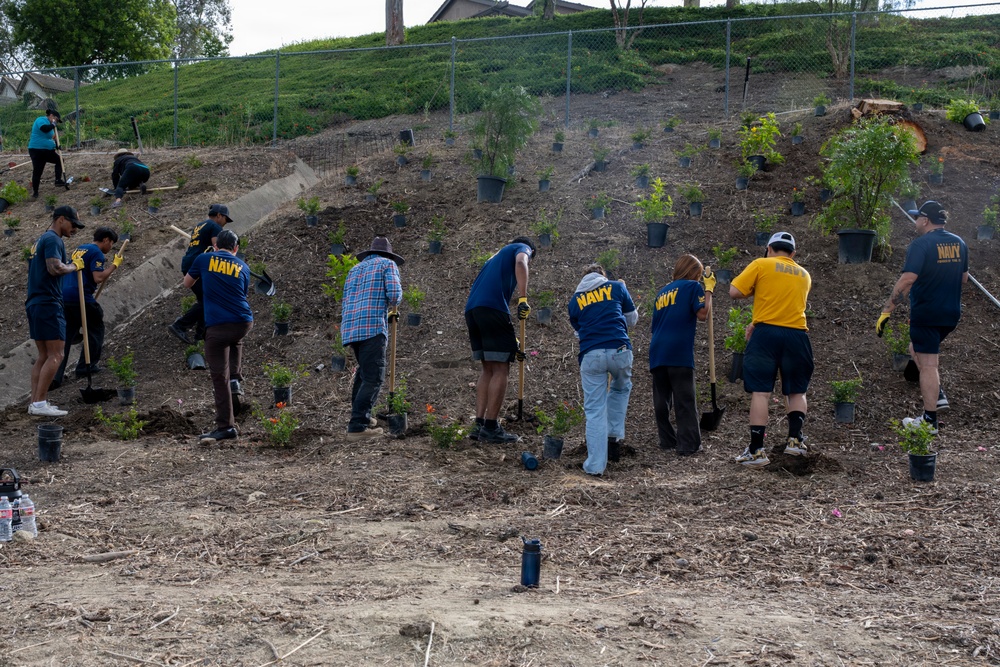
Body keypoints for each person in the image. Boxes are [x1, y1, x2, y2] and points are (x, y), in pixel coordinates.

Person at [877, 200, 967, 432]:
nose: (915, 221)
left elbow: (907, 280)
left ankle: (929, 421)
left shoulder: (921, 245)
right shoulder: (959, 243)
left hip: (927, 313)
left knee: (928, 365)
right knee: (914, 349)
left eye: (918, 217)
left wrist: (886, 311)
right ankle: (938, 396)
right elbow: (964, 278)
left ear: (925, 220)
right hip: (951, 314)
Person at [729, 231, 813, 468]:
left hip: (766, 336)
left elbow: (735, 292)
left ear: (769, 248)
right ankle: (795, 441)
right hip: (797, 335)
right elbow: (786, 304)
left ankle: (756, 451)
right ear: (793, 253)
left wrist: (758, 288)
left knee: (761, 392)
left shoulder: (761, 264)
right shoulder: (804, 274)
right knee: (796, 390)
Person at [568, 263, 638, 476]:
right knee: (620, 388)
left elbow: (579, 332)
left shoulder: (575, 301)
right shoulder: (617, 287)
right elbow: (632, 320)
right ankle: (613, 436)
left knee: (595, 410)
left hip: (591, 355)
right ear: (603, 276)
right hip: (620, 350)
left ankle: (595, 467)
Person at [464, 237, 536, 444]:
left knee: (488, 368)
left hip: (473, 310)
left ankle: (479, 424)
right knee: (501, 369)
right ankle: (491, 426)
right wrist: (523, 298)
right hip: (492, 309)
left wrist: (511, 344)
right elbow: (521, 262)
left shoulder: (493, 259)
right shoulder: (521, 248)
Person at [184, 229, 253, 442]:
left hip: (217, 326)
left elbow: (187, 283)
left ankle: (226, 427)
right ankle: (235, 377)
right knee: (235, 339)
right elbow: (242, 292)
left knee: (218, 378)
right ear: (236, 248)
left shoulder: (203, 258)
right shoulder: (244, 266)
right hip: (244, 321)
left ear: (215, 246)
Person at [649, 255, 714, 456]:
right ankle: (688, 444)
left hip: (657, 350)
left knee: (661, 401)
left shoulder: (661, 293)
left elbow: (654, 326)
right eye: (699, 273)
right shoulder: (692, 287)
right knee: (684, 399)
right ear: (694, 272)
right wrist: (709, 290)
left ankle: (667, 440)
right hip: (678, 351)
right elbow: (703, 314)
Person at [25, 206, 86, 416]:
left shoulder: (39, 241)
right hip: (49, 303)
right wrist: (74, 266)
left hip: (35, 302)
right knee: (56, 354)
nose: (75, 230)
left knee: (43, 355)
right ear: (61, 219)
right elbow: (55, 268)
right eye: (73, 224)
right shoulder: (53, 240)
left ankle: (35, 403)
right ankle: (40, 403)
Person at [340, 236, 403, 441]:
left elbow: (354, 299)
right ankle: (357, 426)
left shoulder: (354, 270)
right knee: (374, 376)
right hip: (372, 328)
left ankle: (362, 418)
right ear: (387, 254)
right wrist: (392, 305)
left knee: (364, 374)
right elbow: (393, 295)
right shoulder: (388, 264)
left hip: (351, 328)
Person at [53, 227, 122, 388]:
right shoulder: (96, 252)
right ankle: (85, 367)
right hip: (80, 296)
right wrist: (114, 266)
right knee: (96, 327)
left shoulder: (81, 248)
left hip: (65, 296)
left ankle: (56, 375)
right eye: (111, 243)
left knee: (67, 335)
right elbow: (98, 278)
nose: (110, 247)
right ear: (105, 239)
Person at [169, 204, 233, 345]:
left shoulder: (200, 225)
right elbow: (218, 249)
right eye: (225, 219)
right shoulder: (215, 227)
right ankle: (181, 325)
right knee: (209, 300)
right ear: (219, 216)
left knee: (205, 300)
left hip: (189, 264)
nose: (225, 223)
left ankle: (200, 336)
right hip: (198, 266)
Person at [27, 108, 66, 199]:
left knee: (59, 160)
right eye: (56, 119)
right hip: (37, 150)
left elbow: (52, 137)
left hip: (48, 151)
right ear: (51, 116)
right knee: (38, 171)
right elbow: (44, 129)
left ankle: (58, 180)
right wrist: (53, 124)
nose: (56, 122)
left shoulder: (51, 127)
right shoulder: (41, 120)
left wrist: (57, 145)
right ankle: (35, 192)